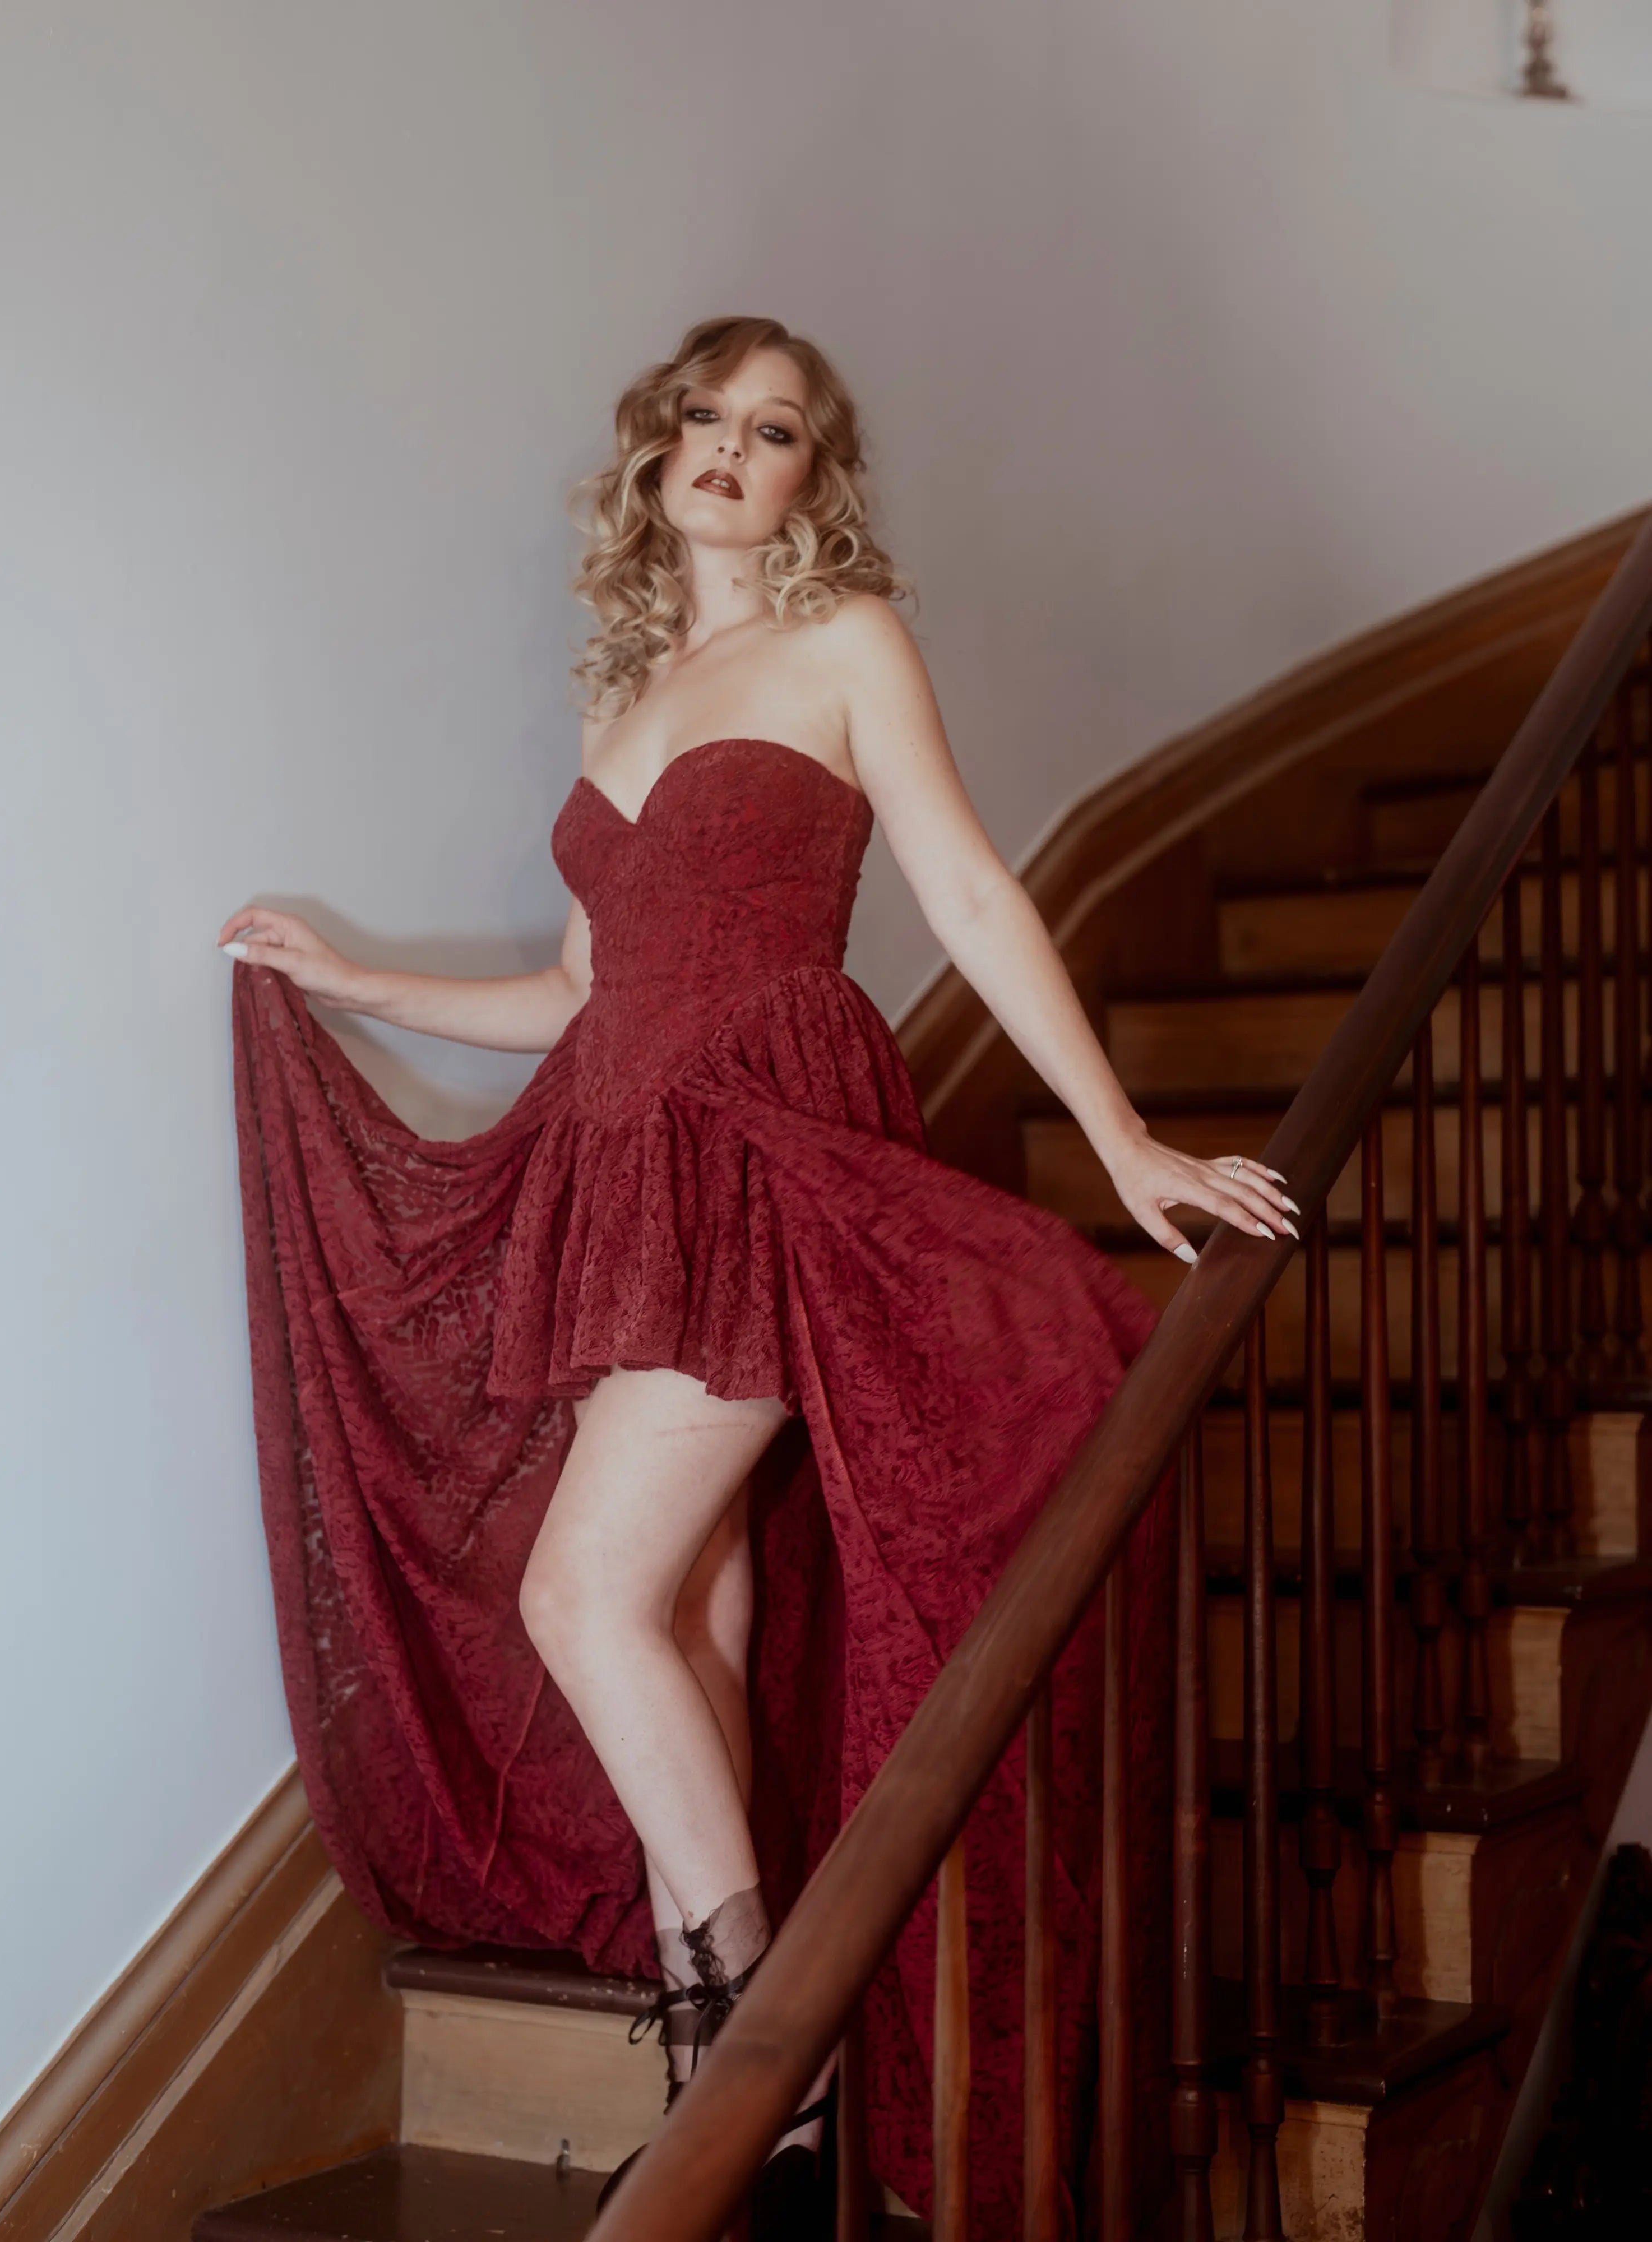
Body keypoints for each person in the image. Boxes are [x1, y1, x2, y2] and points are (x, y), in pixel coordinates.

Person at [220, 313, 1295, 2238]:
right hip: (618, 1158)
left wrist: (1123, 1134)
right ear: (657, 451)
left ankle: (758, 2085)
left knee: (581, 1592)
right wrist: (352, 979)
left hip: (763, 1132)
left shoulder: (846, 641)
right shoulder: (628, 692)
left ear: (816, 473)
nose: (731, 449)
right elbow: (573, 992)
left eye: (774, 428)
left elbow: (967, 888)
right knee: (693, 1630)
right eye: (705, 417)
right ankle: (737, 2096)